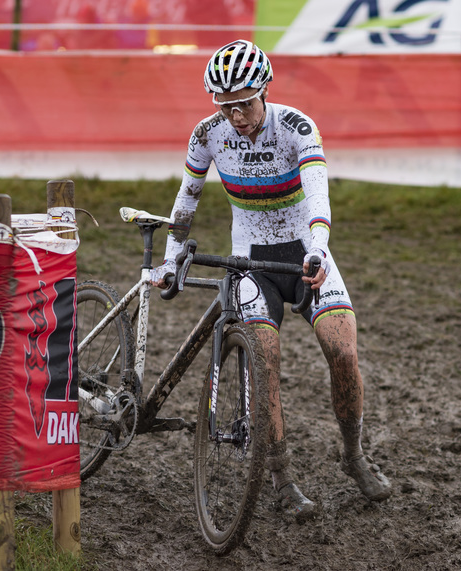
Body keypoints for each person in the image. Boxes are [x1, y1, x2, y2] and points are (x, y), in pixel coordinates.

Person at [151, 39, 392, 519]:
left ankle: (353, 455)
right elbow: (186, 201)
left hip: (306, 255)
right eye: (225, 106)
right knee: (266, 363)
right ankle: (283, 480)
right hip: (251, 263)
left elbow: (319, 194)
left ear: (263, 89)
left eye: (243, 103)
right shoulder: (207, 134)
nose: (235, 115)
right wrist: (172, 256)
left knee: (343, 352)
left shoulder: (296, 127)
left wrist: (319, 247)